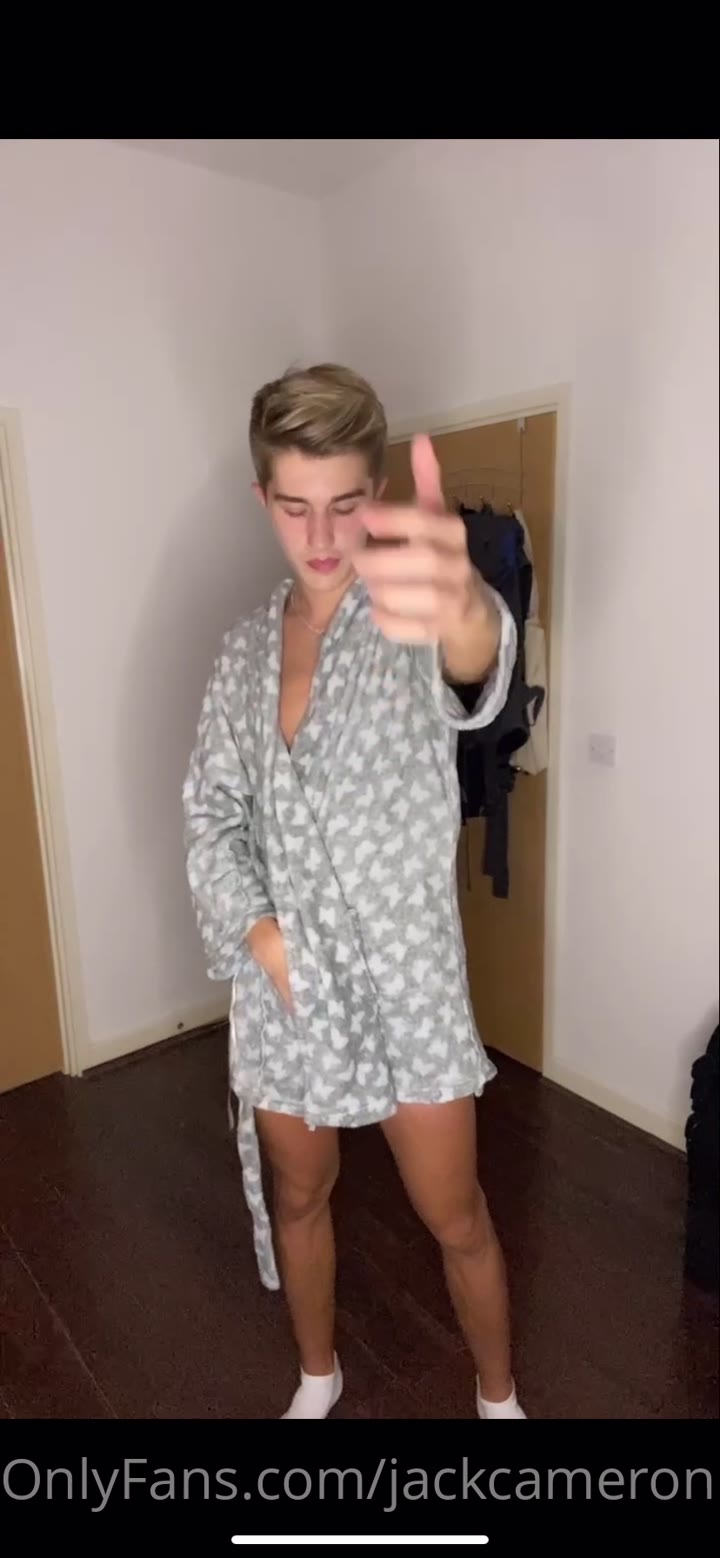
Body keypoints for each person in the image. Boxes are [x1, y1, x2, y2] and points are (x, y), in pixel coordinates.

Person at [182, 363, 527, 1421]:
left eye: (345, 504)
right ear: (263, 499)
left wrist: (470, 610)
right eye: (295, 505)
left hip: (409, 986)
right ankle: (318, 1374)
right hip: (286, 989)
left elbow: (476, 668)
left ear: (375, 496)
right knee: (301, 1195)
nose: (322, 535)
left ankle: (500, 1397)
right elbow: (210, 815)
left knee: (456, 1215)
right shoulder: (241, 657)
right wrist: (263, 939)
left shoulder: (407, 617)